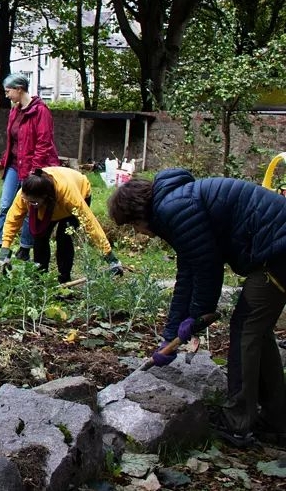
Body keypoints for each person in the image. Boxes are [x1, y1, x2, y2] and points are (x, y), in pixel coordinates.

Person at [108, 169, 286, 448]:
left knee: (246, 328)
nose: (138, 233)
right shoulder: (174, 203)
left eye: (133, 227)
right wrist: (171, 333)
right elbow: (187, 272)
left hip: (279, 250)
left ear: (138, 214)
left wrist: (199, 317)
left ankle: (238, 423)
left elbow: (207, 268)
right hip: (275, 249)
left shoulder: (173, 209)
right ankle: (277, 421)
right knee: (257, 330)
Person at [1, 167, 122, 283]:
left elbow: (90, 223)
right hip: (47, 202)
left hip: (78, 192)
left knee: (64, 237)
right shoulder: (25, 194)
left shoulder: (69, 197)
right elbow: (12, 219)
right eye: (27, 201)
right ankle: (41, 279)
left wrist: (109, 255)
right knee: (39, 237)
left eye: (32, 202)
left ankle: (64, 279)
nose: (28, 204)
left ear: (45, 197)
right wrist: (5, 250)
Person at [0, 73, 60, 261]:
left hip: (33, 168)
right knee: (6, 204)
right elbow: (12, 142)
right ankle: (2, 245)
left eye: (8, 91)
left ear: (19, 89)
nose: (7, 95)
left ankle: (25, 248)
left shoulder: (41, 111)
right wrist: (3, 162)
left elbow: (44, 143)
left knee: (30, 207)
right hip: (14, 165)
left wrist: (34, 172)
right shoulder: (15, 111)